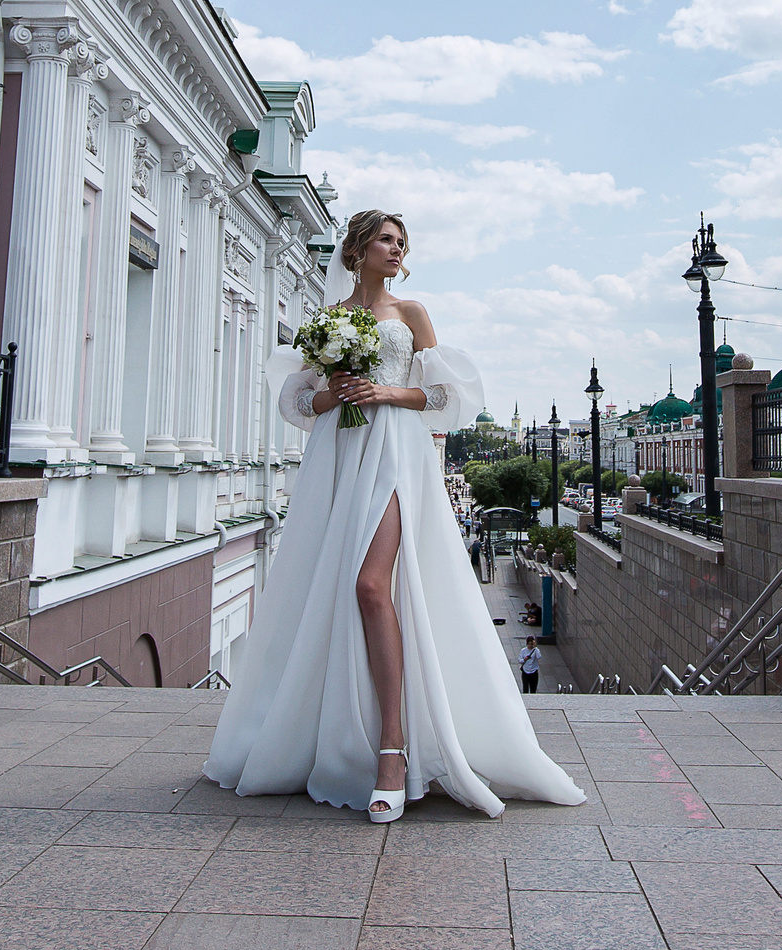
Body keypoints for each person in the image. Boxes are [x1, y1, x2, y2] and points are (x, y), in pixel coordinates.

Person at [203, 210, 584, 823]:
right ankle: (337, 737)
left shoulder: (411, 314)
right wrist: (343, 389)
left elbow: (442, 396)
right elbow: (303, 401)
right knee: (335, 585)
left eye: (402, 242)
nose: (396, 248)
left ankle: (393, 752)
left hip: (398, 451)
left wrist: (382, 392)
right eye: (386, 238)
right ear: (357, 248)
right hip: (339, 453)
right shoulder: (328, 321)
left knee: (370, 583)